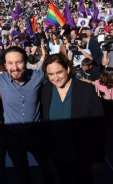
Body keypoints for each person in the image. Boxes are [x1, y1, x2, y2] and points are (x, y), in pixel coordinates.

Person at [0, 46, 55, 184]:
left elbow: (58, 78)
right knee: (22, 174)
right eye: (10, 63)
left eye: (19, 62)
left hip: (37, 135)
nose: (14, 67)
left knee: (47, 169)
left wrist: (90, 84)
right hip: (13, 137)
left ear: (26, 62)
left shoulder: (38, 76)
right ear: (4, 65)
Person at [41, 54, 104, 184]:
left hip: (82, 155)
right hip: (57, 154)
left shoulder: (87, 90)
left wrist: (98, 158)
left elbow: (98, 126)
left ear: (68, 69)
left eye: (59, 72)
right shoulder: (46, 90)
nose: (55, 78)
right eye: (50, 74)